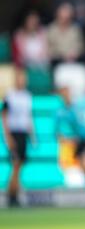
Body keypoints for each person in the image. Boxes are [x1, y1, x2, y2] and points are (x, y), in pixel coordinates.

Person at [1, 71, 36, 207]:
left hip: (23, 134)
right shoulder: (10, 96)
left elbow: (28, 117)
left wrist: (32, 136)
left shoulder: (27, 96)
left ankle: (14, 194)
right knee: (15, 165)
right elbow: (4, 116)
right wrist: (8, 137)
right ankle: (11, 195)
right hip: (14, 133)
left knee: (19, 165)